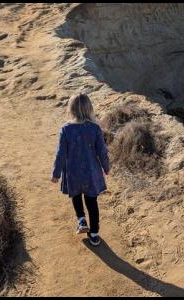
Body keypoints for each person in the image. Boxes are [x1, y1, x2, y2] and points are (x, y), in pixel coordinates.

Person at [51, 93, 110, 246]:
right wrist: (106, 167)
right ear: (89, 108)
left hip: (72, 172)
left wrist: (56, 173)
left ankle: (81, 220)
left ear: (71, 109)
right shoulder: (95, 128)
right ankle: (95, 234)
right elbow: (102, 151)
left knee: (75, 195)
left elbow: (60, 154)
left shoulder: (65, 129)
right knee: (92, 202)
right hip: (91, 172)